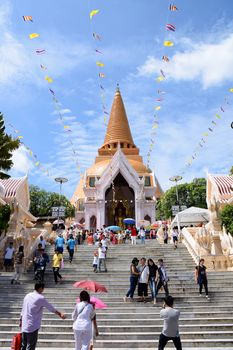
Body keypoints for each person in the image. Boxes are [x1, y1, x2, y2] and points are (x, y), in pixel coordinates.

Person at [20, 282, 66, 350]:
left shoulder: (27, 295)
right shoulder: (40, 298)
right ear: (40, 288)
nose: (43, 290)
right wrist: (60, 314)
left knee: (24, 345)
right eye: (43, 288)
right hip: (32, 325)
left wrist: (20, 320)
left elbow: (23, 309)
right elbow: (51, 308)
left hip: (24, 324)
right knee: (30, 346)